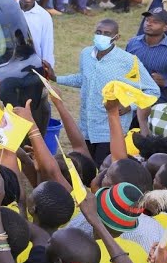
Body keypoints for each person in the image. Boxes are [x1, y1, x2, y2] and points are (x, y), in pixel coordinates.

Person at [55, 19, 159, 162]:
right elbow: (83, 79)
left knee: (104, 169)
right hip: (86, 126)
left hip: (110, 130)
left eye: (107, 33)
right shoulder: (86, 54)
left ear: (116, 37)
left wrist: (130, 106)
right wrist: (55, 78)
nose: (101, 36)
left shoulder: (128, 61)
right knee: (86, 170)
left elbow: (152, 91)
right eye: (98, 32)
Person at [127, 8, 167, 97]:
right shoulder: (132, 43)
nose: (148, 24)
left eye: (155, 22)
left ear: (165, 27)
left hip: (158, 103)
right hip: (130, 98)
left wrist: (166, 82)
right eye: (147, 20)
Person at [17, 0, 55, 74]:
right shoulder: (10, 10)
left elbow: (47, 44)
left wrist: (47, 68)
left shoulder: (44, 16)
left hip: (34, 66)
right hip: (13, 63)